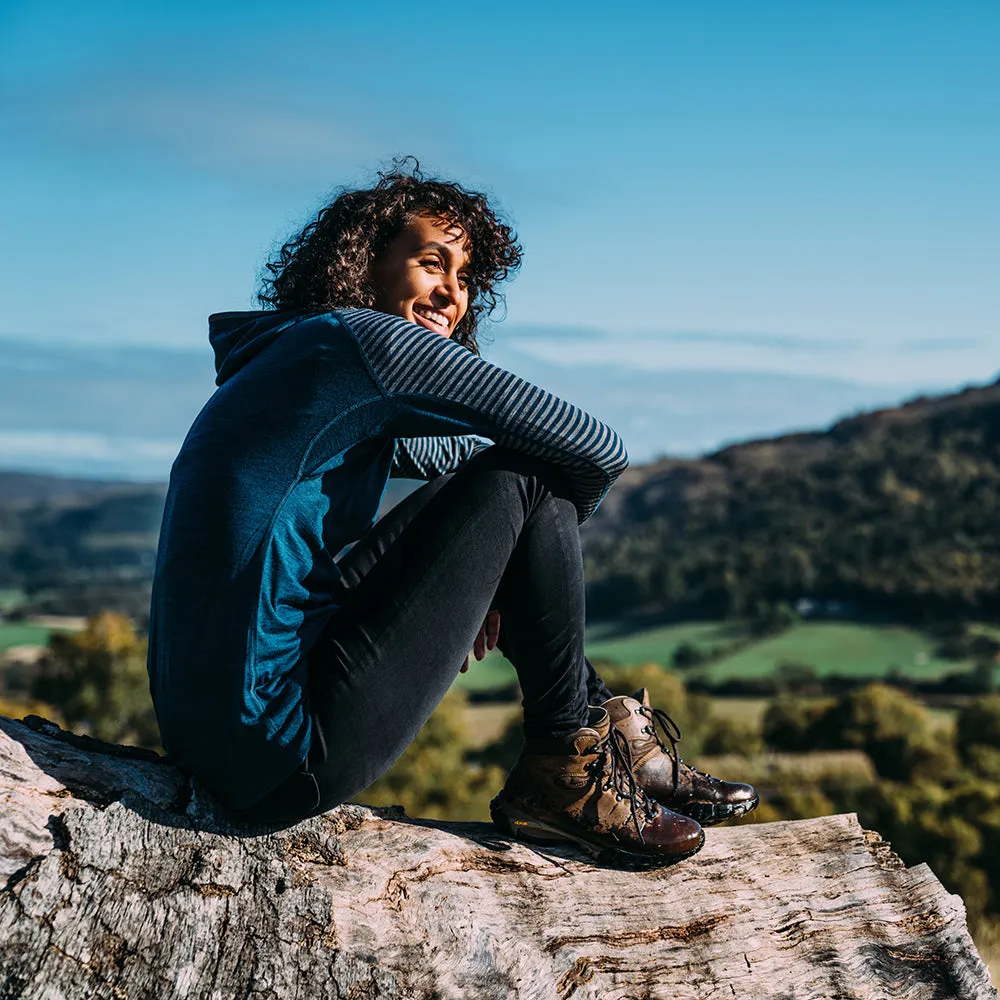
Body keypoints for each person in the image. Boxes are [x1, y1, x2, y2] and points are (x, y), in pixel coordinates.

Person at [147, 161, 756, 868]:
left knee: (513, 482)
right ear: (362, 263)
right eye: (431, 263)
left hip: (224, 730)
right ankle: (566, 765)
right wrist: (515, 546)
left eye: (466, 278)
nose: (452, 294)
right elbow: (595, 448)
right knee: (529, 474)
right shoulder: (358, 342)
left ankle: (609, 738)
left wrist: (500, 561)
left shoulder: (303, 356)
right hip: (273, 747)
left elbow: (458, 463)